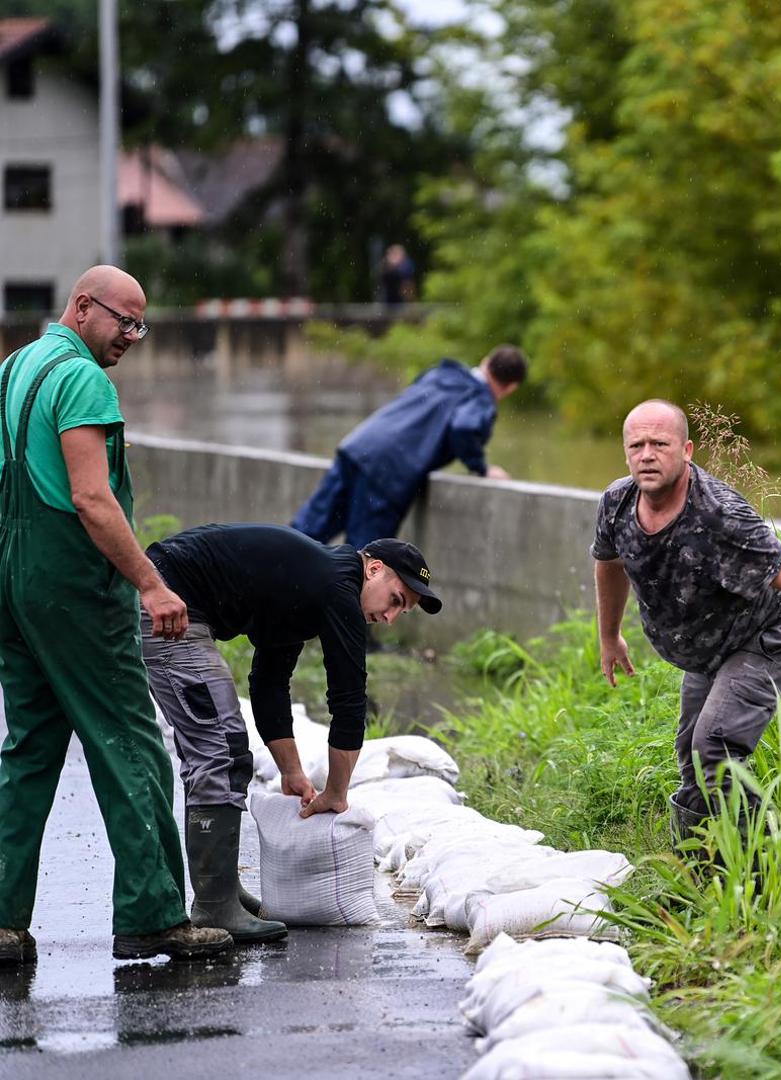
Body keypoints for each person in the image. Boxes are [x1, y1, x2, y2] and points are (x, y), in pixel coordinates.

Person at [0, 266, 231, 965]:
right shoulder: (82, 381)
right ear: (82, 305)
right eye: (122, 321)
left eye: (140, 324)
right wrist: (151, 585)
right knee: (130, 740)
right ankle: (153, 914)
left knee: (30, 751)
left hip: (14, 579)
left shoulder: (15, 367)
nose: (131, 336)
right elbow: (92, 499)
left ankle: (4, 920)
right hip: (73, 581)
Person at [592, 400, 781, 840]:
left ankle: (762, 868)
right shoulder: (618, 502)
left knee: (714, 748)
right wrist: (610, 635)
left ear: (687, 450)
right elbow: (609, 562)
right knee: (693, 759)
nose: (647, 454)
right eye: (636, 445)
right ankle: (700, 869)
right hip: (710, 649)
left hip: (765, 635)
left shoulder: (720, 515)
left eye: (660, 443)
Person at [140, 524, 441, 943]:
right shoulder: (338, 587)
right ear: (373, 568)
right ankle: (214, 904)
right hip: (165, 602)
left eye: (401, 612)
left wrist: (292, 772)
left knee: (222, 745)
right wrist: (337, 792)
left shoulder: (311, 583)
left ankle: (219, 892)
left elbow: (268, 684)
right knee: (221, 750)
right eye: (395, 600)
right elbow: (349, 699)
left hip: (170, 596)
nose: (389, 618)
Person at [291, 346, 527, 550]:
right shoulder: (479, 400)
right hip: (389, 473)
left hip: (359, 447)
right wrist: (481, 468)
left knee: (305, 534)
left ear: (486, 361)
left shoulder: (443, 372)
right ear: (510, 387)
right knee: (365, 559)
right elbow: (463, 428)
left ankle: (266, 582)